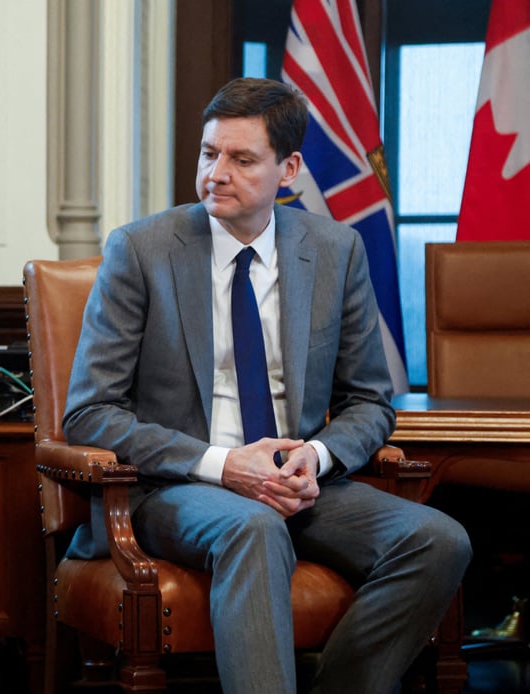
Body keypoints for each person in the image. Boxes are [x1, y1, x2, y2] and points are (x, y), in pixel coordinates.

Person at [63, 77, 472, 694]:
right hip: (178, 485)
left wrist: (315, 455)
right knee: (250, 526)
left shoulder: (336, 251)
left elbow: (368, 401)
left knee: (440, 540)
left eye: (242, 159)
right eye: (209, 154)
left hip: (300, 483)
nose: (216, 174)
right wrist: (225, 466)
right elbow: (91, 412)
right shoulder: (142, 251)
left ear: (290, 170)